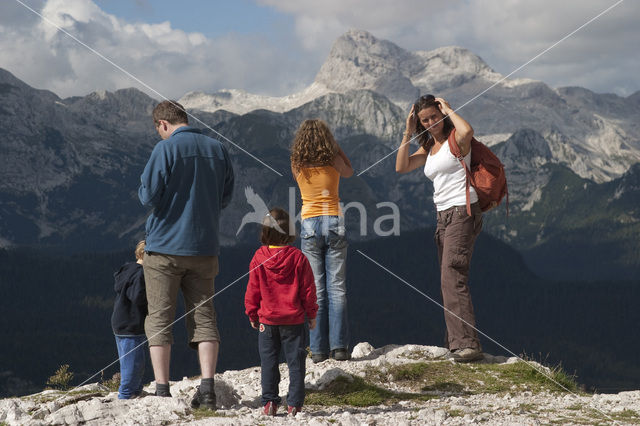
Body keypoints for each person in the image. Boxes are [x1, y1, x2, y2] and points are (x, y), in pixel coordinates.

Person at [138, 100, 234, 408]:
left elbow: (147, 196)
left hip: (164, 247)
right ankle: (207, 388)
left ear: (163, 124)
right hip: (205, 247)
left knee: (160, 318)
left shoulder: (164, 150)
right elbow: (226, 196)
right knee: (204, 317)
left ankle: (162, 389)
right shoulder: (218, 149)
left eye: (159, 131)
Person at [395, 94, 483, 362]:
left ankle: (467, 344)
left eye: (435, 116)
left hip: (462, 211)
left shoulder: (457, 139)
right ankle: (456, 342)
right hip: (443, 217)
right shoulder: (428, 147)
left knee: (451, 274)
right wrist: (407, 133)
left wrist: (449, 108)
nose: (432, 122)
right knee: (448, 279)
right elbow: (401, 166)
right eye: (425, 120)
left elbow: (468, 130)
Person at [244, 207, 318, 417]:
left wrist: (252, 314)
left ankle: (269, 402)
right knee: (296, 363)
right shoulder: (298, 258)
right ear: (290, 232)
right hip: (293, 320)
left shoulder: (259, 257)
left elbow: (252, 290)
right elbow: (308, 290)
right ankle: (294, 403)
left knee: (269, 363)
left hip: (266, 320)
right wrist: (311, 314)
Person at [290, 119, 353, 363]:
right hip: (334, 220)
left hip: (309, 223)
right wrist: (335, 146)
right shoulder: (333, 159)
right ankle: (339, 348)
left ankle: (317, 350)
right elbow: (349, 171)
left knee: (315, 289)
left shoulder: (297, 162)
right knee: (337, 287)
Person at [111, 240, 148, 399]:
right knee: (132, 362)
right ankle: (125, 394)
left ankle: (135, 390)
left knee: (133, 359)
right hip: (132, 324)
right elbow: (137, 296)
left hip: (121, 322)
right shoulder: (141, 273)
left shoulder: (127, 269)